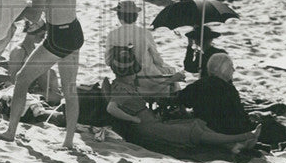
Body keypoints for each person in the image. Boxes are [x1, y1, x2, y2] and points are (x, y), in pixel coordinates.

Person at [0, 0, 84, 148]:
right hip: (74, 32)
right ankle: (69, 142)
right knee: (70, 89)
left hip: (59, 37)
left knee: (22, 79)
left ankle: (10, 132)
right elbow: (54, 3)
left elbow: (34, 15)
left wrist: (12, 10)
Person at [106, 51, 260, 155]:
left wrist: (171, 80)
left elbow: (152, 93)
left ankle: (233, 145)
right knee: (192, 131)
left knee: (197, 124)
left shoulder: (127, 86)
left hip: (152, 123)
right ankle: (243, 137)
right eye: (133, 72)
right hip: (148, 127)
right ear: (126, 74)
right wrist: (133, 119)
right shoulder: (120, 89)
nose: (135, 74)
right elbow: (111, 108)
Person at [179, 53, 286, 147]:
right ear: (225, 70)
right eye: (231, 67)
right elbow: (240, 120)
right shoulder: (228, 90)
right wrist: (256, 118)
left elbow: (180, 99)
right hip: (228, 131)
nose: (233, 70)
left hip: (208, 128)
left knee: (263, 118)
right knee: (269, 124)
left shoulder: (197, 85)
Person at [105, 0, 183, 99]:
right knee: (172, 71)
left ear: (119, 16)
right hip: (149, 80)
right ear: (136, 17)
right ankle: (174, 103)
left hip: (125, 80)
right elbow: (157, 59)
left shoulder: (112, 35)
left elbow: (108, 61)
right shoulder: (145, 33)